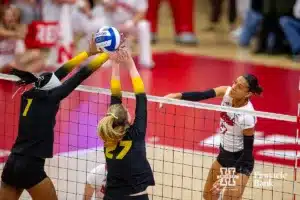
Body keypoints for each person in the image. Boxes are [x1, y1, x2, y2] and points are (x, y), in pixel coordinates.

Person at [0, 35, 110, 200]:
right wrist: (106, 55)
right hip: (31, 166)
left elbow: (60, 72)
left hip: (12, 163)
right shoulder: (51, 98)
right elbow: (79, 76)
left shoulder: (29, 95)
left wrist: (87, 53)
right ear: (51, 90)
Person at [161, 74, 263, 200]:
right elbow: (202, 95)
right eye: (234, 82)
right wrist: (176, 95)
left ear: (248, 94)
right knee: (208, 195)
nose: (233, 87)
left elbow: (247, 153)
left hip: (241, 162)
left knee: (230, 198)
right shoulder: (226, 92)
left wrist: (227, 177)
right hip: (225, 156)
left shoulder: (247, 116)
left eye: (239, 86)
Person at [97, 47, 155, 200]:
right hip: (135, 197)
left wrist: (115, 64)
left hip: (111, 196)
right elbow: (141, 96)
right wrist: (130, 63)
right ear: (128, 119)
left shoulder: (107, 133)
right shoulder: (136, 134)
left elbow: (116, 97)